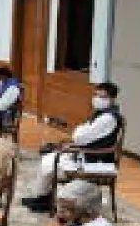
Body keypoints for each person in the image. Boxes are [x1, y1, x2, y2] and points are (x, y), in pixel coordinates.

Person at [22, 82, 123, 212]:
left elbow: (79, 136)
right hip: (87, 152)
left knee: (50, 162)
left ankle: (43, 199)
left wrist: (78, 135)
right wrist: (79, 134)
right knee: (48, 159)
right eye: (96, 95)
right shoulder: (101, 114)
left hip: (96, 159)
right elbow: (83, 133)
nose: (97, 99)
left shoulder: (107, 118)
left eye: (102, 97)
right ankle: (43, 197)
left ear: (112, 99)